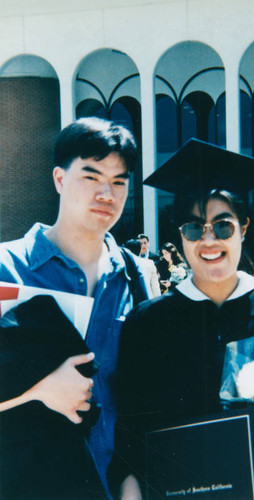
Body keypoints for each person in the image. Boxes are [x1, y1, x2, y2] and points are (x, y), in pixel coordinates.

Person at [108, 139, 254, 500]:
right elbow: (130, 433)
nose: (208, 240)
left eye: (222, 226)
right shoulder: (147, 324)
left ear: (244, 228)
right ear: (180, 237)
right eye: (194, 228)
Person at [0, 117, 149, 498]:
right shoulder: (7, 270)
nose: (107, 193)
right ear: (59, 179)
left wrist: (133, 483)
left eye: (119, 181)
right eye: (91, 176)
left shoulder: (135, 276)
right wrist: (38, 390)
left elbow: (140, 399)